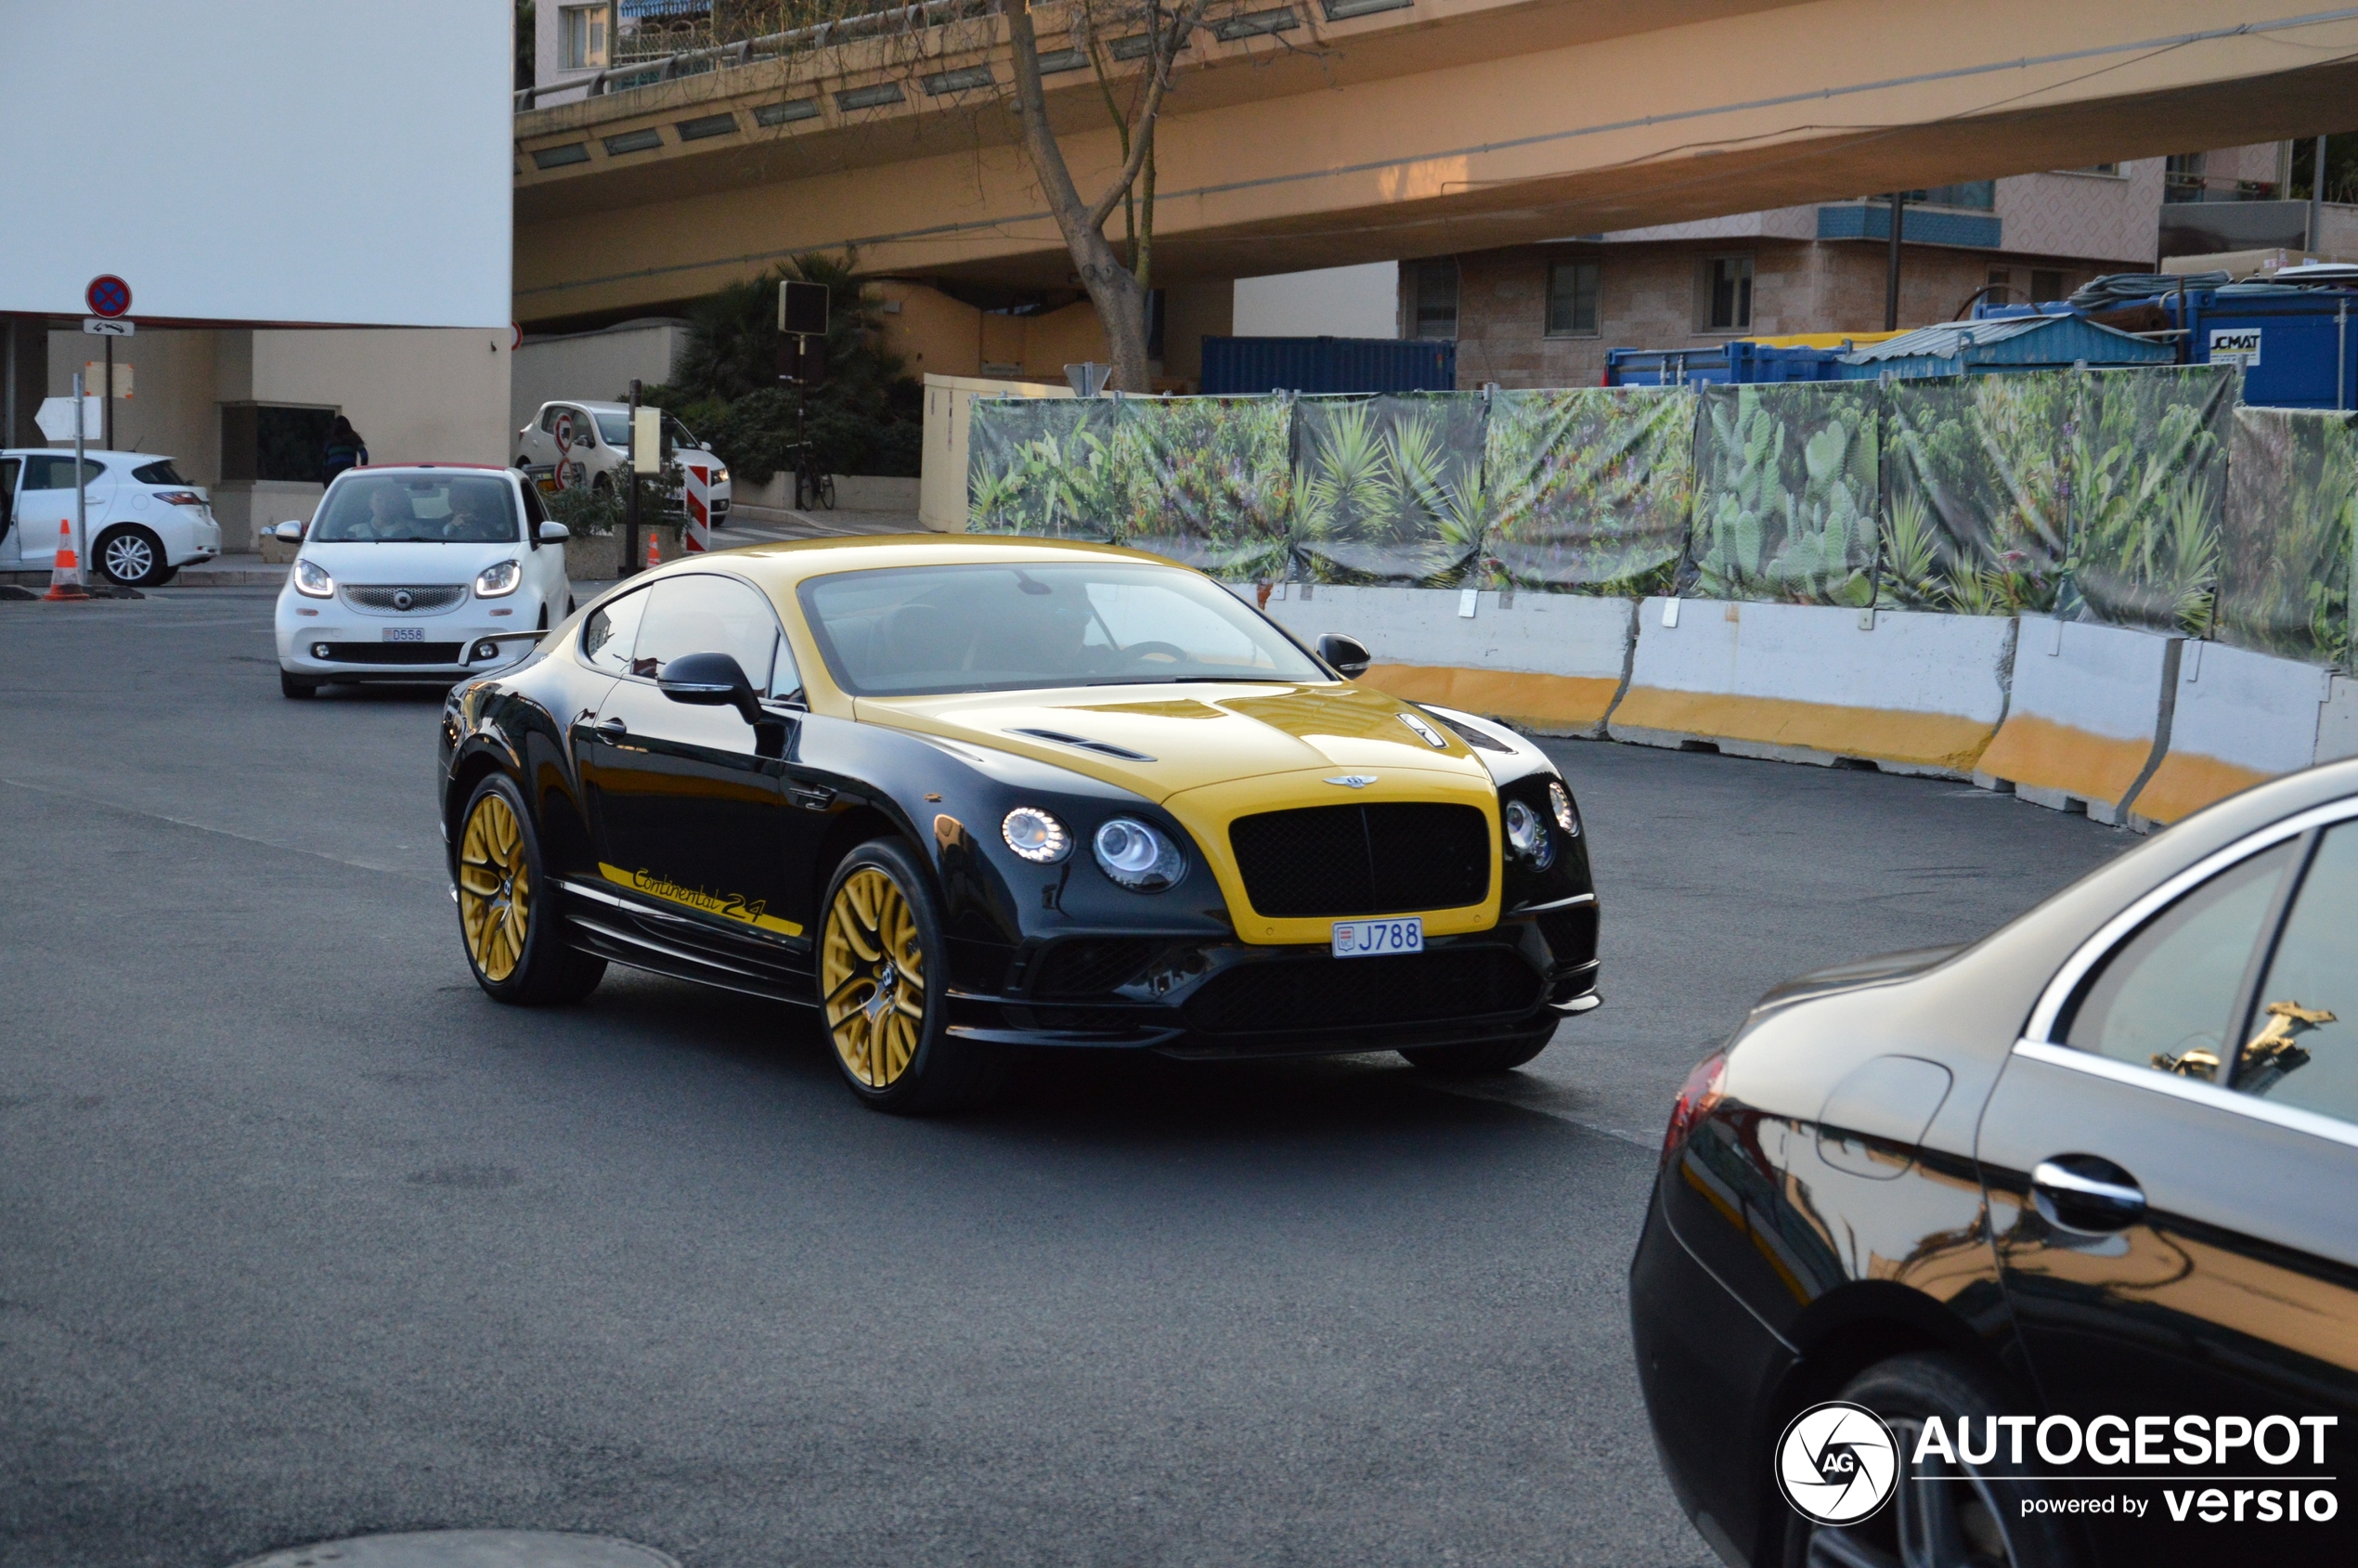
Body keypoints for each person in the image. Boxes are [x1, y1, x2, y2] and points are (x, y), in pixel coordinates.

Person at [322, 417, 368, 485]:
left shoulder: (330, 440)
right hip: (348, 470)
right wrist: (361, 471)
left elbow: (324, 461)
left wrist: (325, 478)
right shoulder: (354, 438)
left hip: (332, 472)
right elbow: (364, 455)